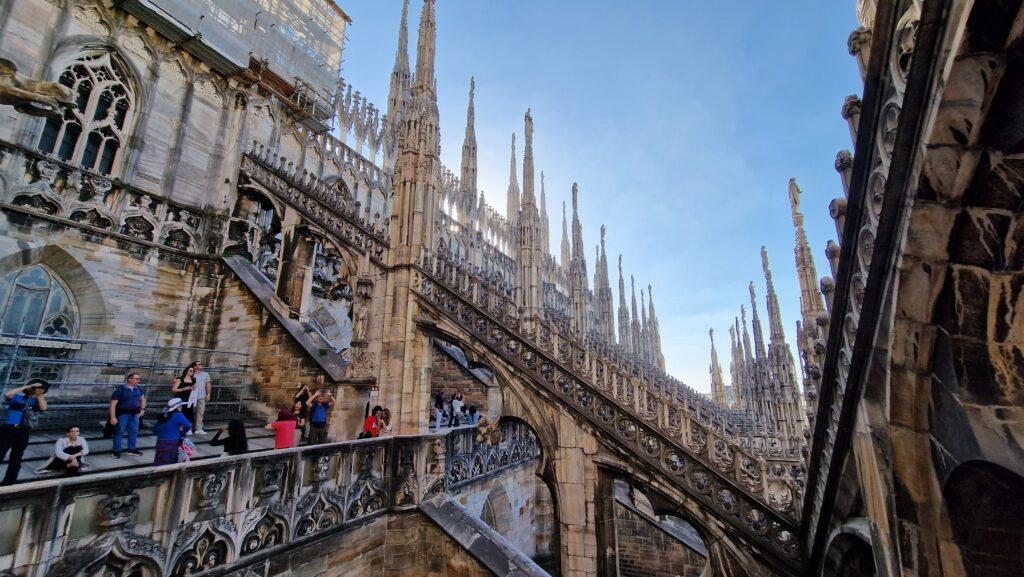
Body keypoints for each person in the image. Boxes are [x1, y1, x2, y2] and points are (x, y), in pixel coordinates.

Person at [1, 379, 49, 485]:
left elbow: (44, 408)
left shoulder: (37, 401)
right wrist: (26, 387)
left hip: (23, 432)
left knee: (16, 458)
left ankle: (9, 482)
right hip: (8, 429)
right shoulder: (18, 398)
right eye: (35, 388)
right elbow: (8, 394)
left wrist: (40, 394)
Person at [109, 373, 146, 459]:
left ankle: (131, 449)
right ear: (129, 379)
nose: (138, 380)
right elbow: (113, 404)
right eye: (136, 378)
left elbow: (143, 399)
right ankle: (117, 451)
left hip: (135, 414)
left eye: (139, 379)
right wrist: (113, 417)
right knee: (119, 432)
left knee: (134, 431)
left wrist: (143, 409)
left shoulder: (138, 389)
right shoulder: (120, 390)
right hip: (123, 414)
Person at [152, 398, 191, 465]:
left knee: (158, 462)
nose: (181, 407)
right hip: (172, 442)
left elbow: (155, 429)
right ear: (177, 407)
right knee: (169, 463)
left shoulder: (163, 415)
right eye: (180, 406)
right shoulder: (178, 415)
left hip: (160, 442)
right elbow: (188, 425)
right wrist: (182, 432)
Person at [172, 366, 196, 433]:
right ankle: (179, 428)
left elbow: (195, 388)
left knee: (189, 413)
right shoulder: (180, 379)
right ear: (186, 371)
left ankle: (188, 428)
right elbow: (174, 389)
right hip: (180, 398)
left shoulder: (193, 380)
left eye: (193, 371)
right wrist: (183, 389)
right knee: (180, 413)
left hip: (189, 398)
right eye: (190, 370)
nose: (192, 372)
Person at [191, 361, 211, 435]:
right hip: (192, 396)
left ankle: (198, 428)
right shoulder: (191, 373)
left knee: (200, 413)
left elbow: (208, 384)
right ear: (195, 366)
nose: (201, 365)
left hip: (202, 396)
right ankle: (188, 427)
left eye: (202, 364)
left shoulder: (205, 374)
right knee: (190, 412)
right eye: (199, 364)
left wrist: (208, 394)